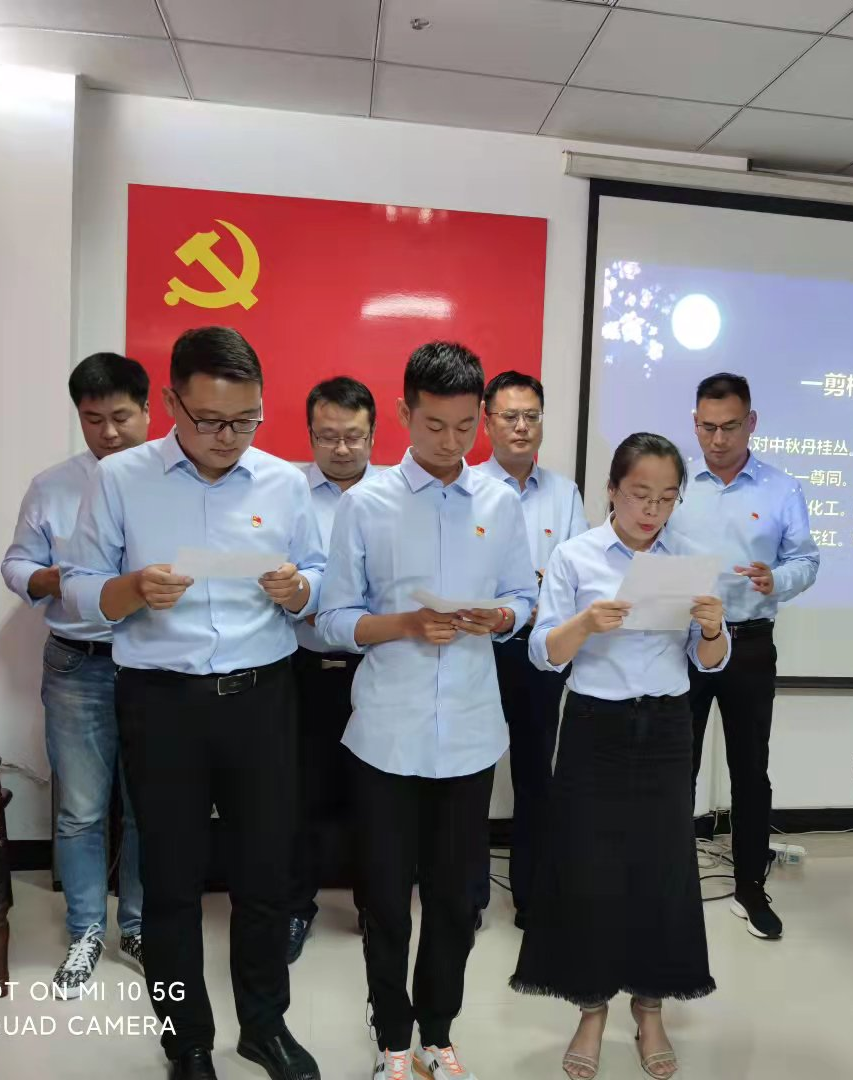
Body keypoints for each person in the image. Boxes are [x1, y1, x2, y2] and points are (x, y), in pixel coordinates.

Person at [61, 327, 326, 1080]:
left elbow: (318, 574)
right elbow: (77, 587)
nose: (228, 438)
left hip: (261, 699)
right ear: (171, 402)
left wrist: (299, 589)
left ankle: (264, 1026)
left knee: (265, 875)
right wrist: (130, 589)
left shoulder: (283, 482)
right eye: (210, 420)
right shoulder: (121, 479)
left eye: (246, 420)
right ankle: (187, 1043)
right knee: (171, 883)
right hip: (163, 704)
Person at [317, 342, 538, 1080]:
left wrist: (499, 618)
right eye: (434, 425)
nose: (450, 441)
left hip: (469, 733)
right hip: (386, 732)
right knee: (384, 899)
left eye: (465, 426)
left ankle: (438, 1033)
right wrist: (405, 625)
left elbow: (524, 598)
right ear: (404, 413)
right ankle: (391, 1038)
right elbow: (333, 618)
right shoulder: (366, 504)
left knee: (455, 900)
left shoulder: (500, 503)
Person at [511, 432, 725, 1080]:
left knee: (662, 869)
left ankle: (650, 1008)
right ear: (611, 490)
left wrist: (713, 628)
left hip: (666, 728)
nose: (651, 510)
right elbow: (543, 655)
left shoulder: (687, 561)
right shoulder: (576, 556)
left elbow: (709, 662)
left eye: (666, 497)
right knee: (589, 869)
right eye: (639, 494)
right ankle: (592, 1008)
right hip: (594, 728)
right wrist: (585, 624)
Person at [0, 352, 150, 998]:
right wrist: (48, 579)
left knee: (149, 807)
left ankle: (138, 926)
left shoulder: (172, 482)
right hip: (78, 664)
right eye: (93, 420)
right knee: (81, 810)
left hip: (152, 662)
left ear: (149, 410)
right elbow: (16, 563)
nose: (108, 432)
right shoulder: (52, 485)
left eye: (121, 417)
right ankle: (87, 929)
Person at [669, 373, 819, 941]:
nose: (718, 439)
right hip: (683, 641)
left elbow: (806, 561)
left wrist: (776, 579)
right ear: (695, 423)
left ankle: (750, 887)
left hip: (750, 642)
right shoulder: (678, 484)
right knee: (675, 765)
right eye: (707, 427)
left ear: (751, 422)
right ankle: (670, 881)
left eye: (730, 426)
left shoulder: (782, 489)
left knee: (750, 770)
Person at [471, 371, 587, 929]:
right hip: (477, 647)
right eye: (509, 416)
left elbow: (579, 571)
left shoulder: (564, 494)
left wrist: (542, 599)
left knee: (537, 772)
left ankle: (533, 894)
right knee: (471, 773)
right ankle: (467, 895)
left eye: (531, 416)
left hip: (541, 652)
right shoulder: (465, 486)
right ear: (487, 421)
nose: (521, 426)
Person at [287, 376, 380, 960]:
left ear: (373, 434)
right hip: (303, 664)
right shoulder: (286, 492)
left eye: (353, 436)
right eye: (327, 436)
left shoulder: (395, 495)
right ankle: (296, 906)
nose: (341, 448)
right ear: (310, 434)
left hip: (377, 665)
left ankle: (375, 904)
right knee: (299, 792)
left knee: (377, 793)